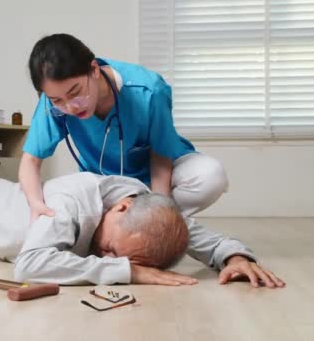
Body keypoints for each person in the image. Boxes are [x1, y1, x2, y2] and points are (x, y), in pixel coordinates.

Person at [0, 173, 284, 288]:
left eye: (117, 258)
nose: (108, 257)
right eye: (110, 249)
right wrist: (128, 272)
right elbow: (29, 265)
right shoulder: (74, 199)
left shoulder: (152, 211)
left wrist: (236, 258)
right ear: (120, 207)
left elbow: (206, 239)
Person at [20, 33, 228, 222]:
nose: (70, 107)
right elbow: (30, 160)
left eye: (75, 92)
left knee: (210, 176)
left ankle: (140, 221)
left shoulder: (149, 89)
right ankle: (122, 222)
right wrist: (35, 204)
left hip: (156, 176)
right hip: (105, 183)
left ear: (94, 69)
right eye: (57, 100)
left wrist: (157, 208)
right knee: (40, 198)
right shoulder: (52, 103)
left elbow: (161, 157)